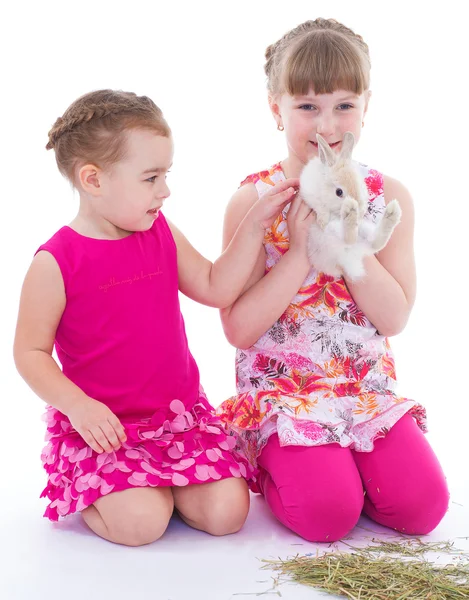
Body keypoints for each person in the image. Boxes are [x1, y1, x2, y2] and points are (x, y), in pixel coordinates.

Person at [13, 89, 298, 546]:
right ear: (93, 179)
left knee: (228, 513)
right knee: (140, 526)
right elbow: (29, 353)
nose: (165, 190)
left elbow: (214, 285)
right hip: (107, 428)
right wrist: (79, 406)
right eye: (150, 178)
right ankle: (101, 489)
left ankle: (159, 483)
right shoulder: (56, 261)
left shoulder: (160, 230)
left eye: (165, 174)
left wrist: (255, 228)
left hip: (177, 420)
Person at [217, 18, 449, 542]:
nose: (327, 125)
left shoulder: (384, 194)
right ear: (275, 109)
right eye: (307, 107)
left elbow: (394, 317)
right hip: (285, 392)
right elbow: (239, 330)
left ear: (367, 105)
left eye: (344, 105)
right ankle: (285, 465)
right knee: (327, 517)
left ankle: (349, 464)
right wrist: (300, 252)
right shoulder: (255, 201)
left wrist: (344, 247)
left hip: (363, 389)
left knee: (422, 509)